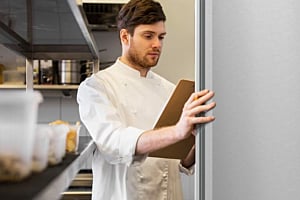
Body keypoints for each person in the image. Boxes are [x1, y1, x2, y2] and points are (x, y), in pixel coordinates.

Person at [77, 0, 216, 199]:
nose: (157, 44)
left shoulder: (169, 89)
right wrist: (177, 132)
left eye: (161, 37)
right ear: (125, 36)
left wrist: (195, 136)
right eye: (148, 36)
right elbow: (114, 143)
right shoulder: (97, 87)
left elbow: (181, 162)